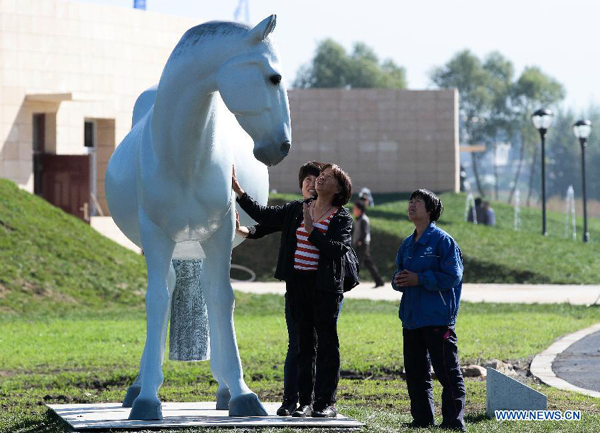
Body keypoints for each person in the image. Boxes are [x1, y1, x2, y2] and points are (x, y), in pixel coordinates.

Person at [233, 163, 354, 418]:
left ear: (339, 189)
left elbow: (337, 249)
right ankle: (305, 402)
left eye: (327, 177)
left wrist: (312, 232)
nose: (320, 179)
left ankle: (326, 403)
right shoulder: (297, 209)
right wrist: (239, 191)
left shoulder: (341, 217)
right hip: (297, 285)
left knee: (327, 345)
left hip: (324, 289)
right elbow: (264, 215)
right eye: (320, 175)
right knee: (304, 346)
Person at [392, 189, 466, 431]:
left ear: (431, 210)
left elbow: (453, 277)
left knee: (447, 373)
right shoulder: (406, 244)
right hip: (412, 319)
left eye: (418, 202)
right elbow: (398, 276)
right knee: (415, 373)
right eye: (410, 201)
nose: (411, 205)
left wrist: (419, 279)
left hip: (438, 319)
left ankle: (454, 422)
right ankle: (422, 419)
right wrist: (399, 280)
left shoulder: (443, 241)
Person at [352, 200, 384, 288]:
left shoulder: (363, 219)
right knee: (368, 263)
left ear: (360, 210)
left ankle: (351, 281)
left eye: (355, 208)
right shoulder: (359, 219)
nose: (353, 210)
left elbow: (365, 232)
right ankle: (379, 281)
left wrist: (360, 241)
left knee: (355, 262)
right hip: (361, 244)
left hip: (362, 245)